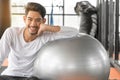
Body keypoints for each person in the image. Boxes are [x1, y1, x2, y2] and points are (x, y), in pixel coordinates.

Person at [0, 2, 78, 80]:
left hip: (30, 77)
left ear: (43, 21)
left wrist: (48, 27)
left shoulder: (47, 36)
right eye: (30, 19)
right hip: (9, 75)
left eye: (38, 20)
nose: (33, 24)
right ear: (24, 19)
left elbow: (74, 31)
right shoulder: (11, 32)